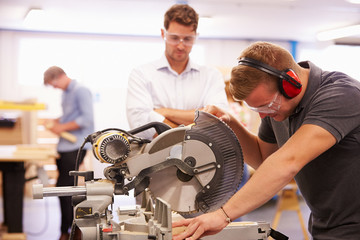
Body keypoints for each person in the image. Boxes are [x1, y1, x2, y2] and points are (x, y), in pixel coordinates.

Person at [172, 41, 360, 240]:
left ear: (291, 83)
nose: (264, 117)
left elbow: (288, 161)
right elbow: (264, 157)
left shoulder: (341, 95)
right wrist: (230, 123)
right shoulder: (277, 107)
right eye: (257, 110)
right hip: (327, 223)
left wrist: (223, 215)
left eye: (266, 106)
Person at [126, 4, 228, 139]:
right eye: (174, 38)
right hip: (153, 159)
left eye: (187, 39)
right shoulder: (141, 74)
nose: (181, 46)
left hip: (201, 158)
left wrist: (164, 113)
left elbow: (216, 119)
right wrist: (195, 123)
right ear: (163, 34)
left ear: (195, 37)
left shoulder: (212, 76)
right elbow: (140, 124)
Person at [43, 66, 94, 240]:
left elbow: (86, 119)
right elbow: (70, 116)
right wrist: (56, 121)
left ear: (59, 77)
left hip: (75, 147)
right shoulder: (65, 93)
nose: (54, 87)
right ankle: (67, 229)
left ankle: (71, 230)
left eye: (53, 84)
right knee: (62, 188)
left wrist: (61, 127)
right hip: (65, 148)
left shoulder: (81, 91)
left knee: (67, 190)